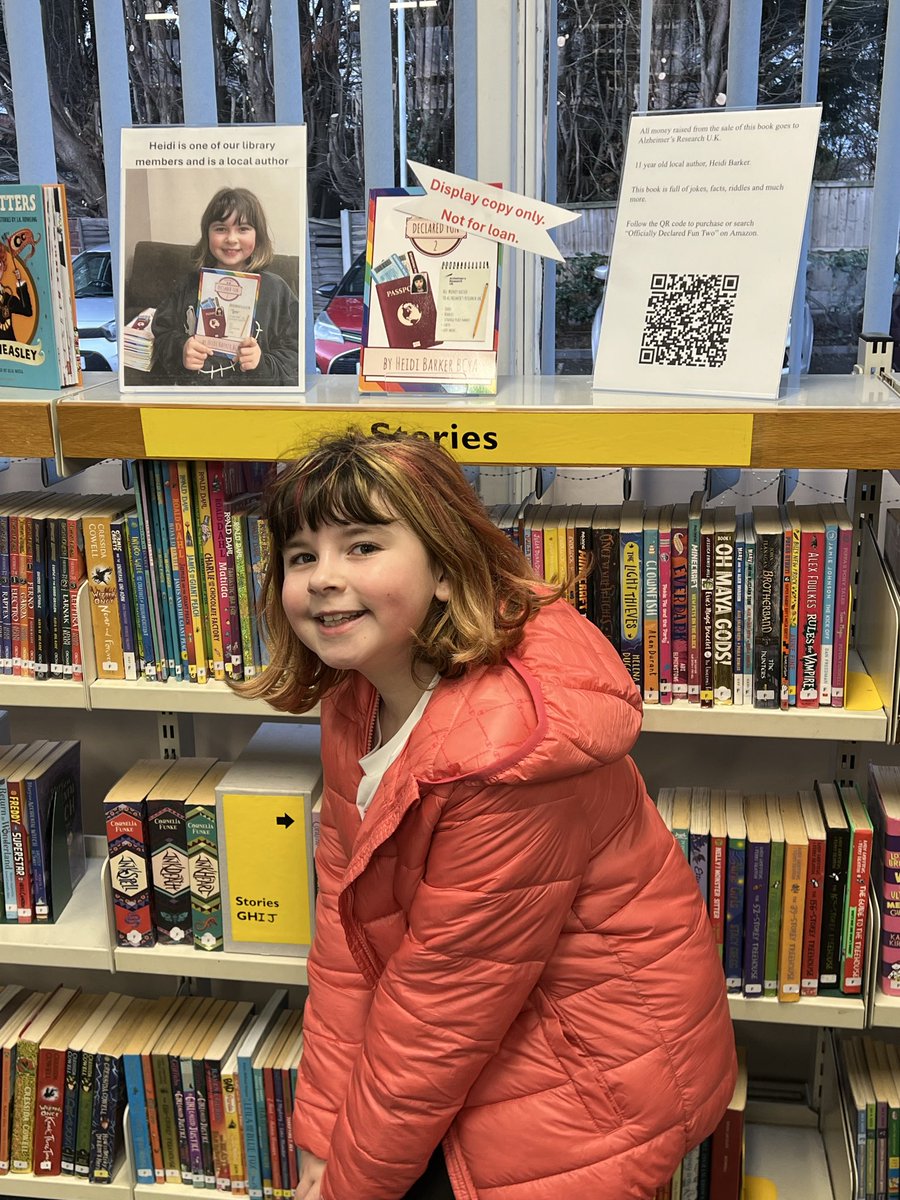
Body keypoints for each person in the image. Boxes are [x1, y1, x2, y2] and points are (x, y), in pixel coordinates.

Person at [239, 429, 736, 1200]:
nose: (323, 579)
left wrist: (349, 1188)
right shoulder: (361, 689)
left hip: (594, 1076)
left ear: (443, 567)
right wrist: (320, 1137)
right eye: (302, 556)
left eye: (362, 546)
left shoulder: (501, 757)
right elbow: (346, 936)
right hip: (487, 1027)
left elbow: (438, 1018)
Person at [150, 186, 299, 386]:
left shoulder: (277, 291)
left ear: (258, 235)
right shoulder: (187, 285)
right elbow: (162, 333)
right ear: (207, 234)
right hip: (196, 401)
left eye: (243, 229)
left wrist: (261, 362)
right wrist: (181, 349)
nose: (231, 239)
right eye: (221, 228)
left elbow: (296, 355)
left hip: (253, 404)